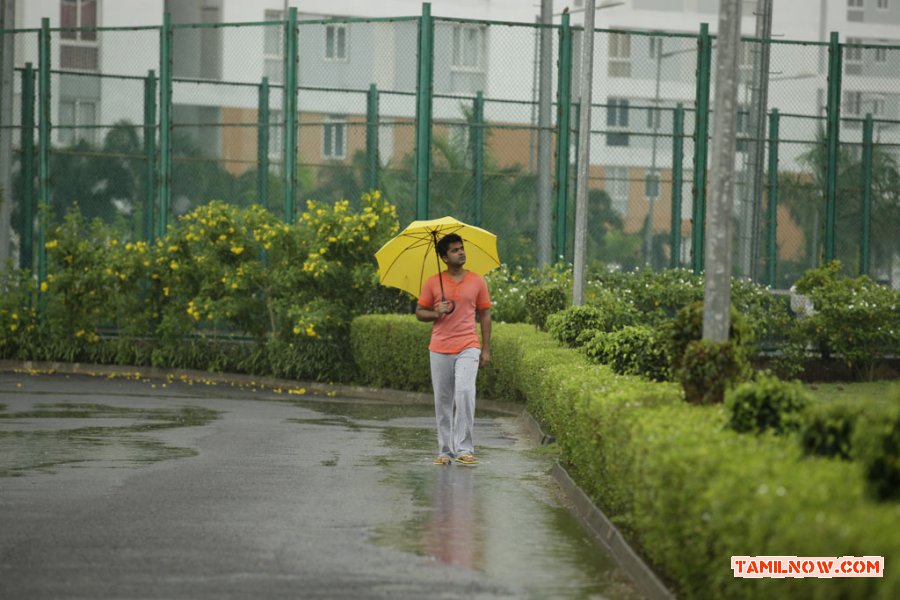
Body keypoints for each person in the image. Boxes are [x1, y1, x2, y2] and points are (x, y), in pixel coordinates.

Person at [416, 233, 492, 466]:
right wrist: (436, 312)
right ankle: (445, 451)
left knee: (465, 393)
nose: (461, 252)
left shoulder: (478, 281)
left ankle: (464, 449)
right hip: (439, 348)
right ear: (444, 257)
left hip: (468, 346)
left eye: (461, 248)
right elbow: (420, 312)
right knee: (443, 400)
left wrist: (486, 349)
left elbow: (485, 314)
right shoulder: (432, 282)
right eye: (454, 250)